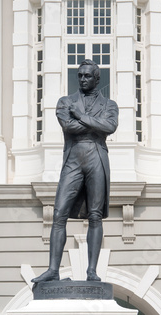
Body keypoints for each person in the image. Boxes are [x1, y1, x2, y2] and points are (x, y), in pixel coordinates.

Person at [32, 59, 119, 282]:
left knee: (95, 215)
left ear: (97, 78)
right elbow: (68, 127)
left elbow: (109, 127)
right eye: (79, 75)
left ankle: (92, 271)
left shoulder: (110, 105)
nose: (82, 79)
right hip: (73, 159)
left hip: (97, 158)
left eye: (87, 76)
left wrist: (80, 117)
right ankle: (53, 270)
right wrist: (94, 124)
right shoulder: (65, 102)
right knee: (59, 212)